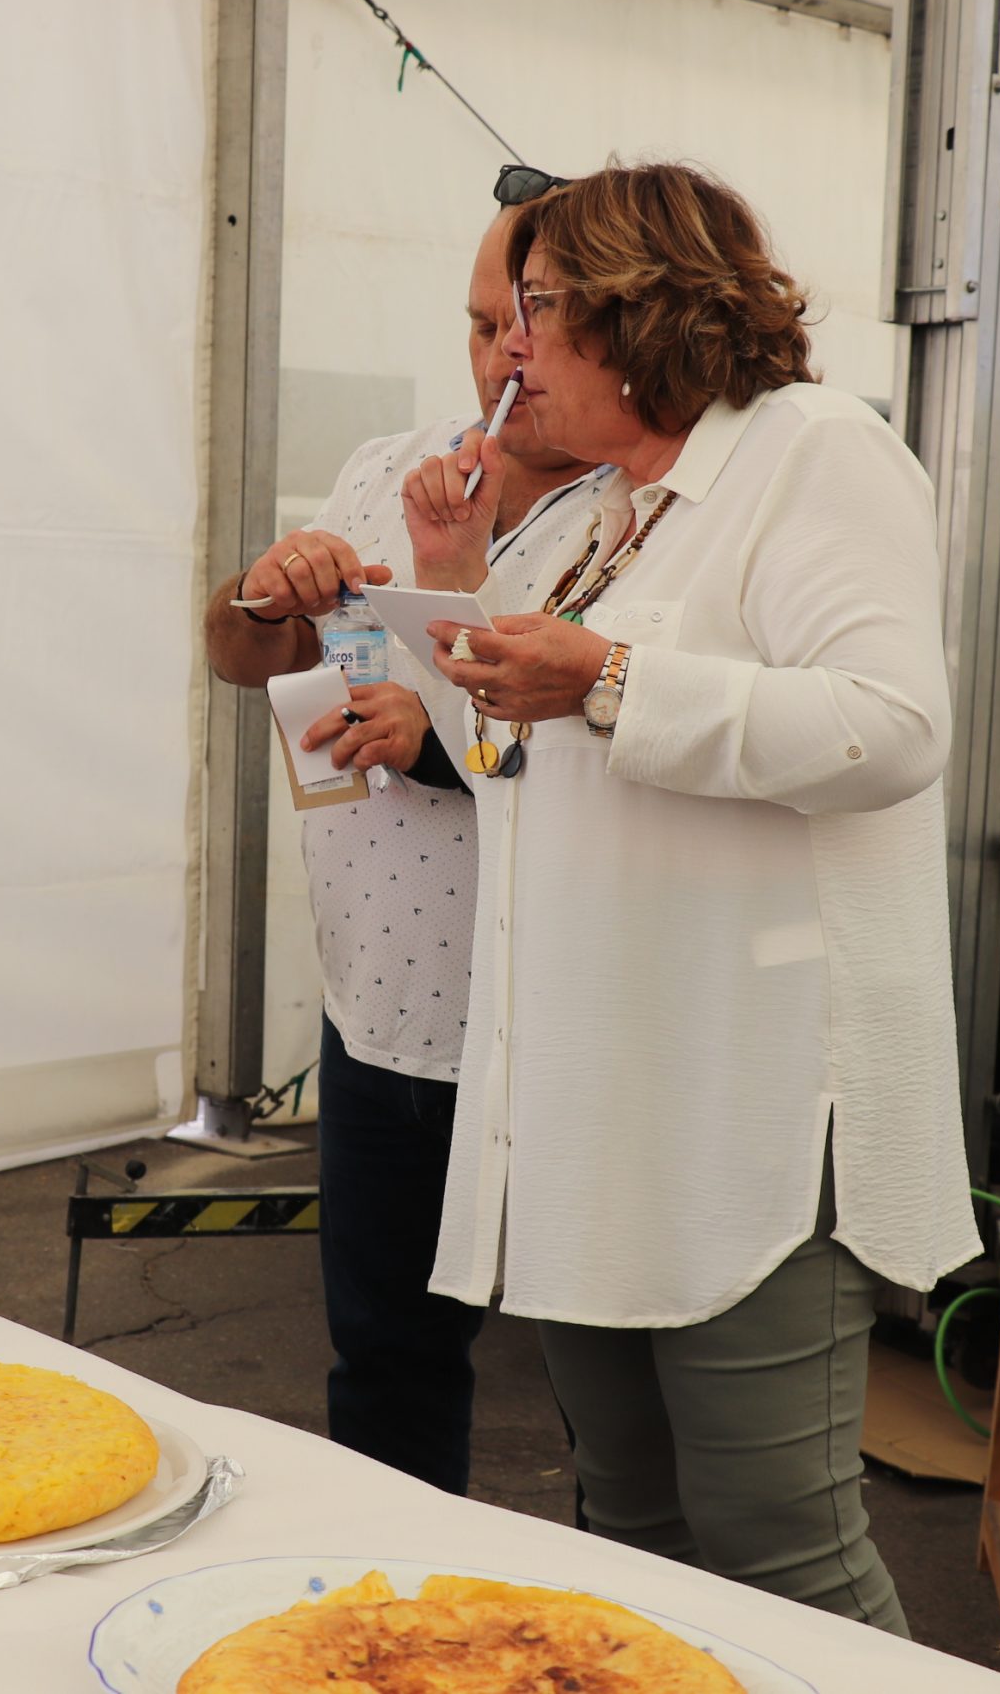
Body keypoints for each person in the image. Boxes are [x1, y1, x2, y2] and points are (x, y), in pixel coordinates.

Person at [402, 162, 981, 1632]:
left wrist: (607, 677)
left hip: (751, 1104)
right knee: (632, 1532)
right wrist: (457, 584)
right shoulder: (600, 516)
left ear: (638, 312)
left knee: (779, 1548)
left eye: (537, 308)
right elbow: (504, 763)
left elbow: (891, 728)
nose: (507, 346)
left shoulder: (813, 454)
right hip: (599, 1111)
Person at [201, 191, 601, 1493]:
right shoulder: (390, 464)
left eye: (532, 323)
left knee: (604, 1389)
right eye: (483, 325)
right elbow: (245, 657)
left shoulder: (635, 511)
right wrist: (268, 594)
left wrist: (430, 736)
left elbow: (619, 757)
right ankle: (397, 1591)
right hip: (378, 1003)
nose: (502, 358)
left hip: (546, 1024)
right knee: (383, 1365)